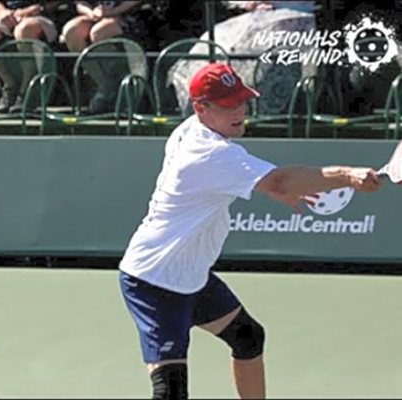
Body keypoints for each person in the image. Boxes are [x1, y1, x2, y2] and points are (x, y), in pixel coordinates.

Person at [118, 62, 382, 400]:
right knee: (170, 390)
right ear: (201, 108)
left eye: (242, 100)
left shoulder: (193, 129)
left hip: (191, 274)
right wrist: (346, 175)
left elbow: (267, 183)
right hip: (155, 280)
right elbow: (279, 180)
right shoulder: (210, 153)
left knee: (248, 337)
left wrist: (275, 188)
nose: (241, 110)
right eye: (230, 105)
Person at [0, 1, 62, 113]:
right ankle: (10, 85)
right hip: (9, 15)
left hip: (44, 15)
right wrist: (0, 11)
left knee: (24, 30)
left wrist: (33, 9)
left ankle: (27, 92)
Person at [61, 1, 142, 114]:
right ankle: (106, 88)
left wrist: (113, 12)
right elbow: (81, 3)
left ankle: (108, 92)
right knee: (71, 32)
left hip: (127, 14)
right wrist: (91, 13)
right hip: (96, 15)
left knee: (98, 33)